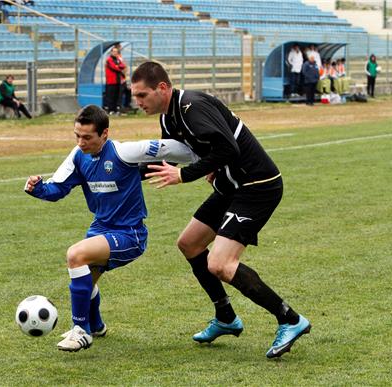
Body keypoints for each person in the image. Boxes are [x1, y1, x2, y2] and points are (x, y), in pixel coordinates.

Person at [131, 61, 311, 359]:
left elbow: (229, 149)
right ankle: (226, 317)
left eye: (142, 95)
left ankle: (290, 319)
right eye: (135, 96)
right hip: (231, 186)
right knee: (189, 244)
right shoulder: (169, 118)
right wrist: (115, 170)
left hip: (258, 186)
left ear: (162, 88)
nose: (137, 102)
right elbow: (171, 158)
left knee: (220, 264)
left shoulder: (191, 107)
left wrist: (186, 175)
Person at [24, 104, 198, 352]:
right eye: (77, 136)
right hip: (100, 229)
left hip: (130, 234)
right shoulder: (78, 155)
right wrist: (37, 188)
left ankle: (80, 331)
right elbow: (57, 188)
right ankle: (95, 325)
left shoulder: (124, 152)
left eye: (87, 137)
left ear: (104, 134)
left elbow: (167, 147)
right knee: (85, 281)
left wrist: (201, 158)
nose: (81, 142)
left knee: (75, 255)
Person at [104, 46, 126, 114]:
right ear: (111, 52)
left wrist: (118, 66)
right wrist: (118, 67)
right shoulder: (109, 59)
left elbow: (123, 66)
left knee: (116, 96)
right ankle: (110, 110)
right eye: (113, 51)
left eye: (116, 52)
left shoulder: (117, 59)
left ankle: (115, 109)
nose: (115, 53)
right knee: (111, 96)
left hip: (117, 81)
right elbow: (114, 67)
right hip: (111, 81)